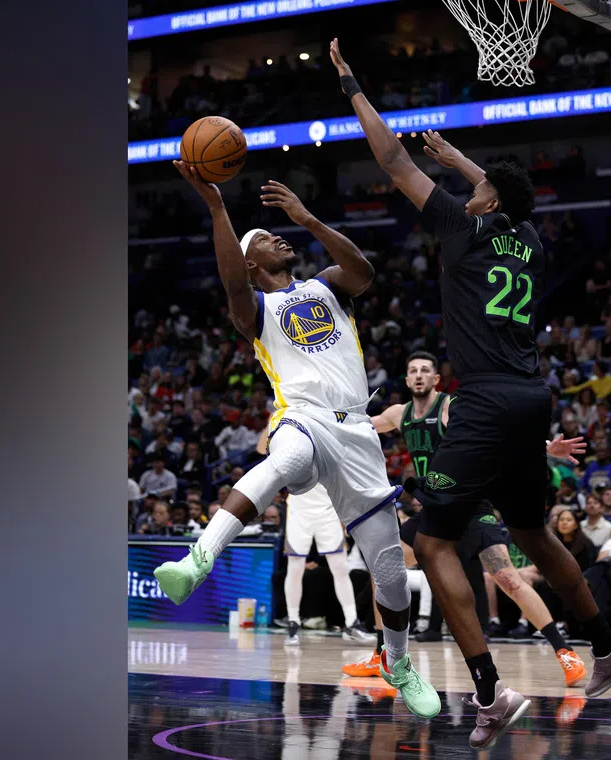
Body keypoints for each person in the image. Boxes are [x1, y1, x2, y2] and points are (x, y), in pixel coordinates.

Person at [332, 38, 611, 748]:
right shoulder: (529, 237)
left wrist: (351, 84)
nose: (467, 191)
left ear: (486, 199)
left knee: (433, 542)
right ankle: (608, 646)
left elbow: (391, 161)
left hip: (485, 401)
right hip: (532, 395)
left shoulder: (463, 229)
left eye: (476, 187)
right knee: (532, 532)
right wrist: (470, 166)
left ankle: (489, 690)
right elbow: (511, 197)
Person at [151, 163, 439, 718]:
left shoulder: (325, 286)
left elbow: (364, 270)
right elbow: (233, 280)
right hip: (303, 416)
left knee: (389, 572)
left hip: (357, 430)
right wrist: (216, 207)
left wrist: (306, 217)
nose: (278, 237)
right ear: (252, 262)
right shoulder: (256, 310)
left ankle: (397, 664)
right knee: (285, 458)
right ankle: (198, 558)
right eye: (264, 239)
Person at [342, 351, 591, 688]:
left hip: (471, 505)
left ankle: (565, 652)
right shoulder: (398, 414)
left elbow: (499, 434)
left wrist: (545, 447)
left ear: (435, 380)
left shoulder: (448, 407)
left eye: (425, 370)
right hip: (435, 508)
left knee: (508, 578)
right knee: (384, 569)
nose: (418, 375)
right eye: (412, 370)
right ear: (406, 379)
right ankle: (382, 654)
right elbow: (357, 428)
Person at [276, 479, 376, 646]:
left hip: (328, 507)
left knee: (340, 568)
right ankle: (293, 623)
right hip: (298, 508)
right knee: (295, 568)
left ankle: (352, 624)